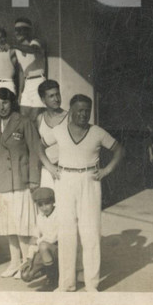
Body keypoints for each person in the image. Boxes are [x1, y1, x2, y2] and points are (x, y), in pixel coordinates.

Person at [42, 94, 124, 293]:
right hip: (65, 180)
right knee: (66, 233)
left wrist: (106, 170)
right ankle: (66, 284)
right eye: (79, 110)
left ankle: (91, 284)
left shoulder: (97, 132)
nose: (83, 114)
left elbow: (119, 150)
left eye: (87, 110)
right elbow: (38, 146)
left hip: (89, 181)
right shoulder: (59, 130)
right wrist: (49, 167)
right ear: (71, 111)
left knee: (91, 233)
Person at [0, 85, 41, 278]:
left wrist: (34, 179)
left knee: (22, 224)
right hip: (2, 182)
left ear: (12, 102)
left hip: (21, 180)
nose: (1, 107)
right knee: (8, 224)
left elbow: (35, 151)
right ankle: (14, 262)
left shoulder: (24, 122)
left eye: (5, 103)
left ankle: (27, 264)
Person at [21, 187, 58, 288]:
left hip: (58, 249)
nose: (44, 208)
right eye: (40, 205)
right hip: (44, 250)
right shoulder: (40, 216)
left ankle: (52, 279)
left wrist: (37, 241)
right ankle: (47, 269)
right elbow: (34, 237)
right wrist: (29, 258)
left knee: (43, 246)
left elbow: (53, 238)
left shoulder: (58, 214)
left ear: (53, 201)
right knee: (26, 275)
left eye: (47, 203)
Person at [12, 18, 46, 119]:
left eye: (21, 29)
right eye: (16, 30)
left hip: (39, 81)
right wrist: (20, 93)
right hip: (27, 84)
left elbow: (33, 50)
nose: (18, 32)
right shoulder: (17, 49)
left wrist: (14, 45)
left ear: (28, 30)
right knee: (23, 117)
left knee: (36, 117)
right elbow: (21, 72)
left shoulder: (36, 42)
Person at [36, 80, 67, 190]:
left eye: (57, 94)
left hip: (65, 170)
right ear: (43, 100)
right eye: (51, 96)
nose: (56, 99)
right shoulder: (40, 118)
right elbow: (38, 147)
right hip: (47, 170)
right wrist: (49, 167)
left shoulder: (69, 118)